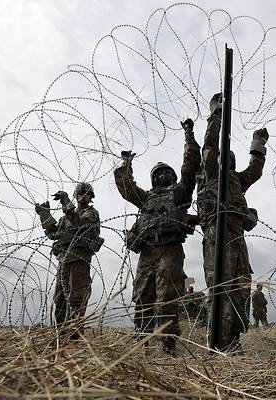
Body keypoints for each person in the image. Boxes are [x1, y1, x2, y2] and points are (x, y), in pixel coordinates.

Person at [114, 118, 200, 355]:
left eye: (166, 173)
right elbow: (126, 188)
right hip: (147, 251)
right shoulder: (147, 199)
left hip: (169, 250)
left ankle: (168, 345)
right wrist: (126, 164)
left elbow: (190, 167)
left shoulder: (179, 193)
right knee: (142, 298)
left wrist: (189, 136)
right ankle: (141, 343)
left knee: (167, 299)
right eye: (158, 173)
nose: (163, 176)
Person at [197, 93, 268, 352]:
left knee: (239, 288)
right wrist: (216, 115)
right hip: (217, 236)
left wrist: (258, 143)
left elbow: (256, 170)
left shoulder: (237, 180)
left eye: (230, 159)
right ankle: (216, 342)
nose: (224, 161)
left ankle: (233, 341)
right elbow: (209, 148)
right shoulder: (210, 174)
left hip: (238, 237)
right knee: (219, 286)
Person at [35, 182, 103, 340]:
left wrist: (65, 201)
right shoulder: (66, 217)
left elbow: (79, 223)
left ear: (91, 196)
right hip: (64, 260)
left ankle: (73, 337)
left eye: (86, 193)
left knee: (76, 299)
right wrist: (44, 214)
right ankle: (60, 336)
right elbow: (53, 233)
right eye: (80, 192)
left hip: (79, 260)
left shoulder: (91, 213)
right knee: (60, 299)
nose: (82, 195)